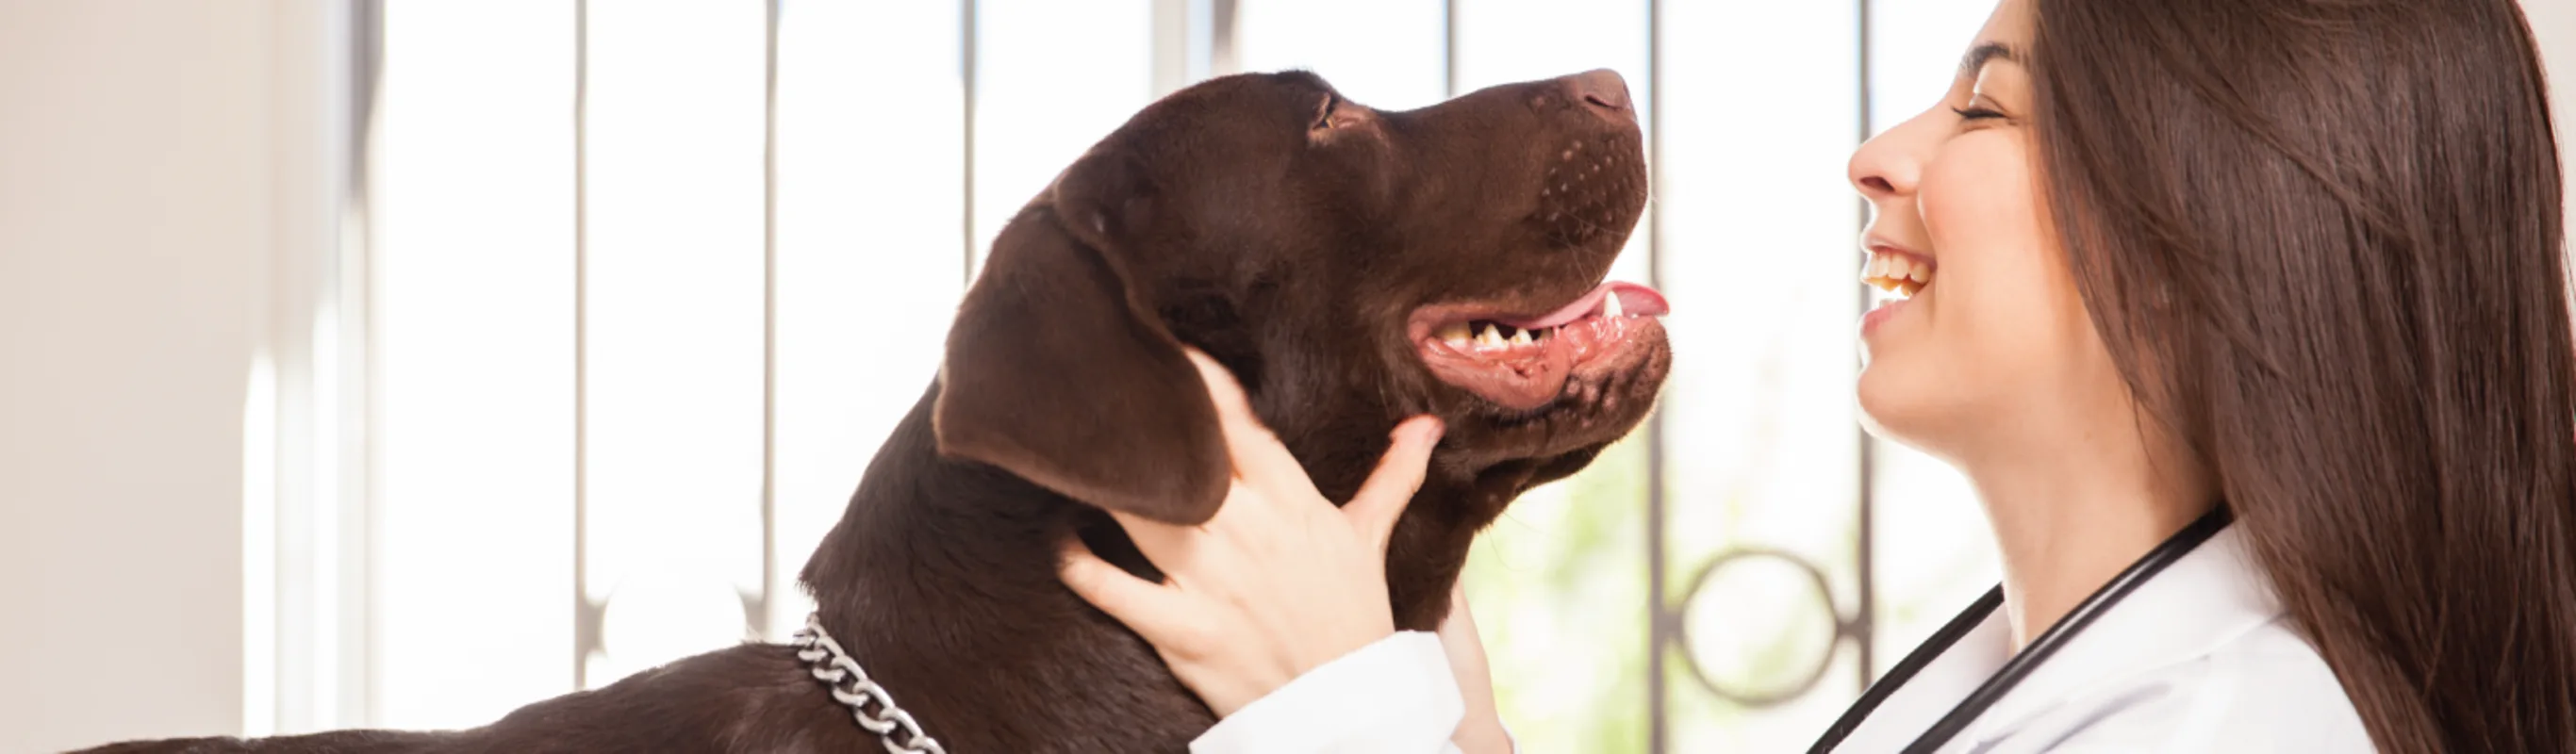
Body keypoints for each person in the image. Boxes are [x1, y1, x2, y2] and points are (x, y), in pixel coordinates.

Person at [1056, 0, 2576, 750]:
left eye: (1985, 111)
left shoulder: (2243, 732)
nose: (1879, 156)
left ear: (2215, 227)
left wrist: (1341, 716)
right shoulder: (2061, 675)